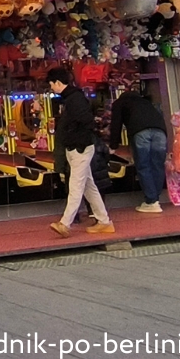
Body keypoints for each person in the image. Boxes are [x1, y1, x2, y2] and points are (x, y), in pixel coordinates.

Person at [47, 68, 113, 238]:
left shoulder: (73, 100)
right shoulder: (73, 98)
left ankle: (65, 223)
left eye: (52, 84)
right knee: (89, 187)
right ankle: (104, 221)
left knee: (75, 186)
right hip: (78, 147)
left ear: (58, 83)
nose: (52, 88)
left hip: (79, 148)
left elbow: (85, 122)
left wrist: (76, 138)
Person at [110, 85, 168, 213]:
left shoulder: (120, 103)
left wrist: (113, 146)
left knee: (143, 166)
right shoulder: (146, 103)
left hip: (140, 132)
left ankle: (151, 201)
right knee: (157, 166)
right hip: (160, 132)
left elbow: (116, 125)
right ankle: (155, 198)